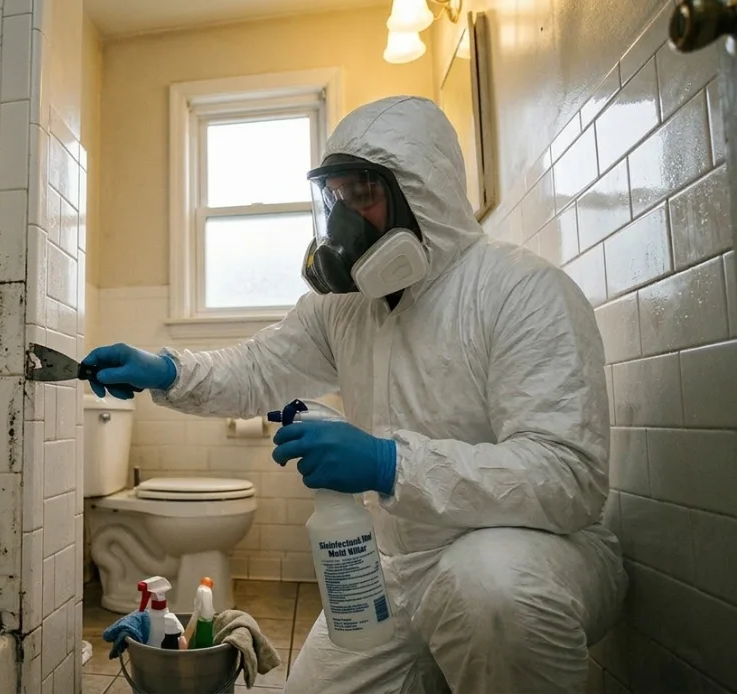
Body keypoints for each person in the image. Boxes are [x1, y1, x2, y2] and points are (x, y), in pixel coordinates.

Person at [81, 96, 627, 694]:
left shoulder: (523, 293)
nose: (344, 220)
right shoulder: (344, 309)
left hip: (533, 558)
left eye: (363, 196)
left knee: (490, 589)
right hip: (399, 569)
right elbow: (257, 368)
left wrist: (389, 462)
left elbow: (568, 477)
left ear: (424, 194)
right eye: (336, 198)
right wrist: (165, 371)